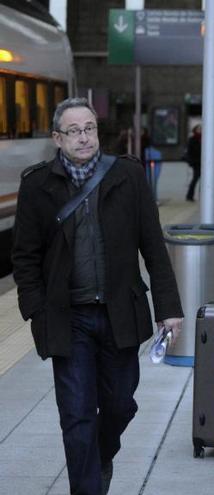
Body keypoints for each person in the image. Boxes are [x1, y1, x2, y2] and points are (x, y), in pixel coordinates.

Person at [11, 97, 184, 495]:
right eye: (74, 131)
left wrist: (169, 309)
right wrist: (37, 311)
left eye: (89, 128)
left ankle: (100, 457)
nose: (84, 137)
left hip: (120, 313)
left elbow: (153, 247)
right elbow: (25, 256)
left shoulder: (127, 175)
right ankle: (87, 487)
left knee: (121, 403)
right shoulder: (37, 184)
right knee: (76, 415)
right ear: (57, 138)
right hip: (68, 318)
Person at [185, 124, 201, 201]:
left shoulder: (204, 138)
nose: (200, 130)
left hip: (202, 162)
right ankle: (189, 195)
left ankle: (202, 195)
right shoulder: (192, 139)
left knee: (203, 180)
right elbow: (190, 151)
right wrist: (191, 161)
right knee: (195, 179)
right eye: (198, 129)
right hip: (196, 162)